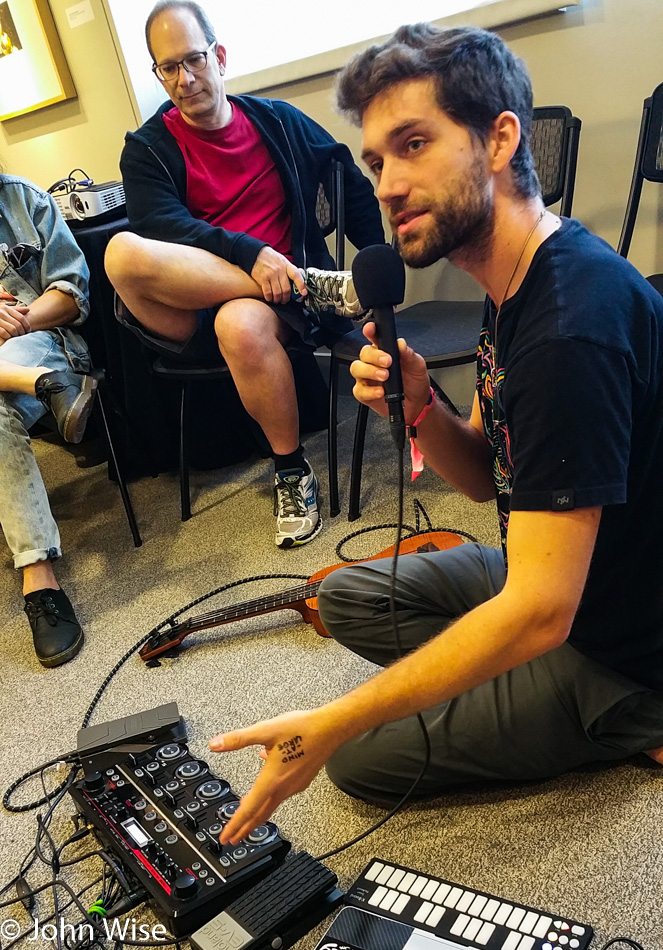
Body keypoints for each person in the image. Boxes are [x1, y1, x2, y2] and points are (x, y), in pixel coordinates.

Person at [207, 23, 663, 845]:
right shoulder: (518, 276)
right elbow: (491, 478)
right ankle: (487, 680)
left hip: (618, 645)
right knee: (342, 595)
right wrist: (421, 404)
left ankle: (627, 723)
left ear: (498, 139)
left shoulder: (570, 328)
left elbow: (539, 614)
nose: (385, 184)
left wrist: (335, 720)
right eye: (377, 160)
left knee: (355, 757)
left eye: (413, 144)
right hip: (558, 561)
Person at [104, 0, 385, 549]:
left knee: (240, 323)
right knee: (120, 252)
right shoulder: (146, 150)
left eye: (195, 60)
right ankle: (313, 286)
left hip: (269, 313)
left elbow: (346, 176)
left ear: (220, 56)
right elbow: (162, 226)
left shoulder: (278, 120)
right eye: (168, 68)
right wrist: (252, 255)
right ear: (156, 73)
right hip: (192, 304)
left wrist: (376, 266)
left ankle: (290, 471)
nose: (185, 80)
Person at [0, 172, 97, 667]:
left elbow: (73, 293)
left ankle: (38, 577)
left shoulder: (24, 200)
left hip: (44, 343)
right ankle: (42, 386)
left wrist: (20, 319)